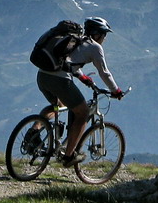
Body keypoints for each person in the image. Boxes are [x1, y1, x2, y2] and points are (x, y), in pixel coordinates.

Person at [34, 16, 125, 167]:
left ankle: (34, 130)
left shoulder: (75, 39)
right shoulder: (95, 47)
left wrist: (83, 77)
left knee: (58, 105)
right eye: (104, 35)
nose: (105, 39)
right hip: (60, 81)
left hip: (43, 76)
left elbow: (67, 63)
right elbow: (104, 73)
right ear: (98, 34)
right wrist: (116, 90)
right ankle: (68, 156)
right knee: (82, 113)